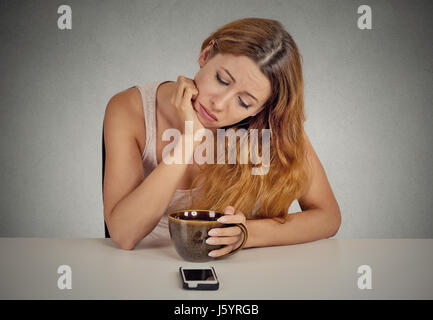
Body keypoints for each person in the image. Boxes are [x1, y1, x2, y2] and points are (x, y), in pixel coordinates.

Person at [103, 17, 341, 254]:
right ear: (206, 54)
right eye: (222, 80)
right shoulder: (129, 108)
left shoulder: (270, 128)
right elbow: (125, 234)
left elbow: (328, 217)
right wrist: (189, 139)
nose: (219, 104)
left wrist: (245, 234)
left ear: (260, 109)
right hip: (143, 268)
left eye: (244, 102)